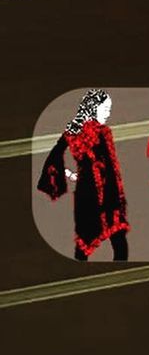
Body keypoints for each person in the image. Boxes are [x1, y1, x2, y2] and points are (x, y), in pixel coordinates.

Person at [37, 89, 129, 262]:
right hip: (105, 193)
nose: (108, 113)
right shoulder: (103, 132)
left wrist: (69, 175)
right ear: (94, 108)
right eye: (105, 109)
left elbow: (55, 155)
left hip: (86, 192)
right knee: (117, 240)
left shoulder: (73, 130)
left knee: (86, 242)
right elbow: (112, 168)